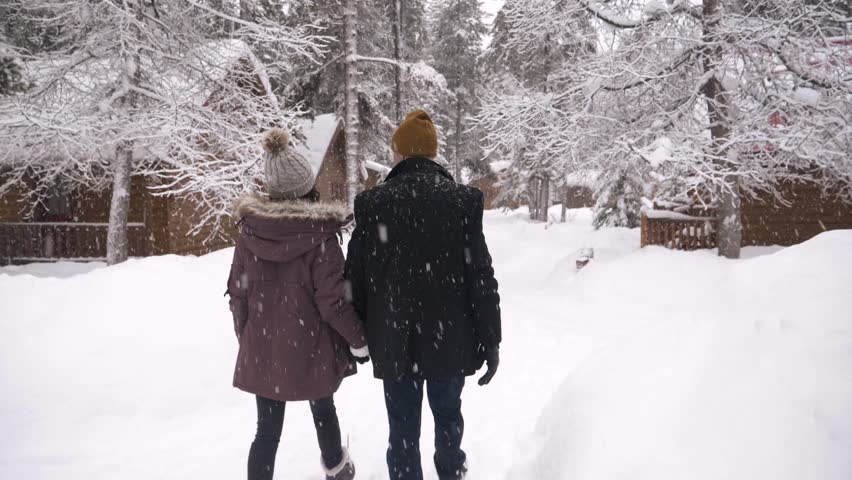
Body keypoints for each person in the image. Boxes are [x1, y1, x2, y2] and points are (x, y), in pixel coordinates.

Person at [344, 110, 502, 480]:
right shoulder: (462, 202)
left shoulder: (374, 204)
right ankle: (451, 472)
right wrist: (490, 338)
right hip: (450, 338)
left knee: (402, 428)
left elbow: (355, 277)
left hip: (394, 340)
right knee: (448, 416)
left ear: (400, 155)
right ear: (431, 156)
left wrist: (359, 335)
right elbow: (481, 275)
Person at [226, 128, 370, 480]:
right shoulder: (321, 238)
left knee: (266, 431)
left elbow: (238, 294)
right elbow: (332, 302)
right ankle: (337, 469)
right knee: (323, 410)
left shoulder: (250, 234)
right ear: (306, 187)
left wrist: (248, 335)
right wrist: (359, 340)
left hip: (265, 349)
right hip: (311, 349)